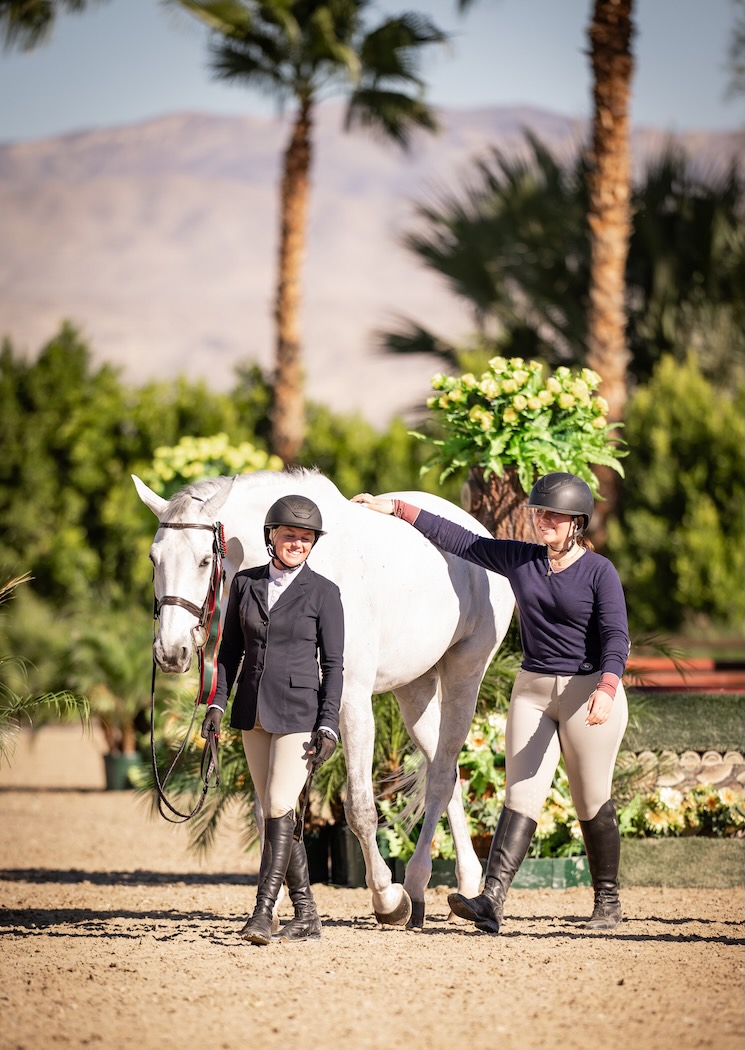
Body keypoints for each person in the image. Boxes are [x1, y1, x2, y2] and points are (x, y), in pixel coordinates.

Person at [352, 472, 630, 934]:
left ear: (577, 523)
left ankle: (607, 902)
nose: (542, 520)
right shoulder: (522, 560)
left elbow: (617, 636)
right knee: (520, 796)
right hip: (534, 689)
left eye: (554, 515)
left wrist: (607, 685)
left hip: (587, 691)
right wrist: (396, 508)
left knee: (591, 798)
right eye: (539, 513)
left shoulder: (599, 572)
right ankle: (492, 901)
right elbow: (460, 539)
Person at [201, 494, 344, 946]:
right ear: (272, 536)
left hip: (299, 713)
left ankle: (263, 912)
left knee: (280, 805)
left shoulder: (324, 592)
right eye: (289, 535)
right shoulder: (245, 584)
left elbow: (334, 666)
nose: (297, 543)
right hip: (253, 712)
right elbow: (228, 652)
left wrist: (328, 723)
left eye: (306, 538)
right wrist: (216, 704)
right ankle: (307, 914)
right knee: (275, 811)